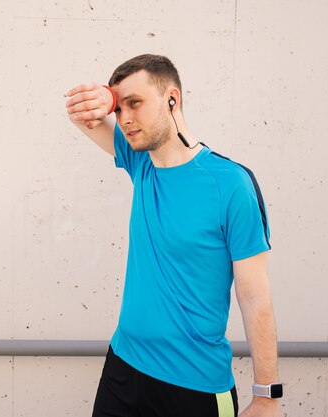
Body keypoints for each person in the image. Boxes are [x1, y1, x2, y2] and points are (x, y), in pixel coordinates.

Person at [65, 54, 283, 417]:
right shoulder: (140, 162)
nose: (125, 119)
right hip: (123, 368)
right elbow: (81, 115)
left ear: (172, 99)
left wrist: (266, 396)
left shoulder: (230, 184)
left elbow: (255, 297)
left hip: (193, 386)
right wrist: (106, 97)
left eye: (135, 103)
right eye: (119, 109)